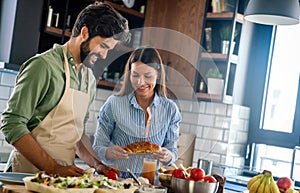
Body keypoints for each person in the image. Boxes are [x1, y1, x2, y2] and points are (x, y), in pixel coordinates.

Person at [0, 3, 131, 177]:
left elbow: (77, 134)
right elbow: (12, 123)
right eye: (103, 46)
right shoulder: (43, 66)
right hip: (25, 175)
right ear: (84, 33)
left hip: (62, 179)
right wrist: (53, 168)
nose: (104, 56)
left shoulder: (89, 79)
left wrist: (98, 165)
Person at [92, 46, 182, 178]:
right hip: (115, 182)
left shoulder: (170, 109)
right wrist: (108, 152)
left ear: (158, 76)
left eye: (148, 76)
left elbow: (172, 151)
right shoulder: (114, 104)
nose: (140, 82)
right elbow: (97, 147)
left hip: (149, 185)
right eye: (135, 75)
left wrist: (168, 156)